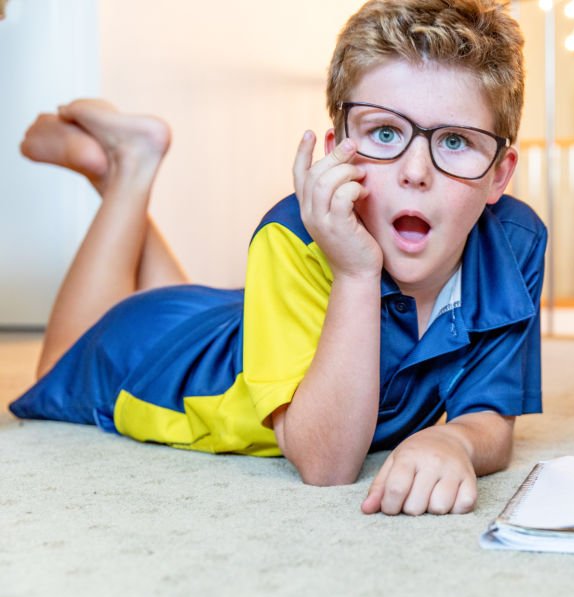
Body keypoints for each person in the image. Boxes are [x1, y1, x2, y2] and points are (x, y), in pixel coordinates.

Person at [9, 0, 546, 516]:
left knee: (198, 314)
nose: (415, 171)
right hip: (156, 357)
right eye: (385, 133)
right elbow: (326, 463)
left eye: (455, 141)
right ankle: (128, 169)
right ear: (337, 150)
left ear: (500, 173)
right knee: (57, 365)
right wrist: (357, 273)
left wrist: (455, 441)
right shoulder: (292, 233)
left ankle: (123, 166)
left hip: (225, 318)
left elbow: (491, 418)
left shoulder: (515, 242)